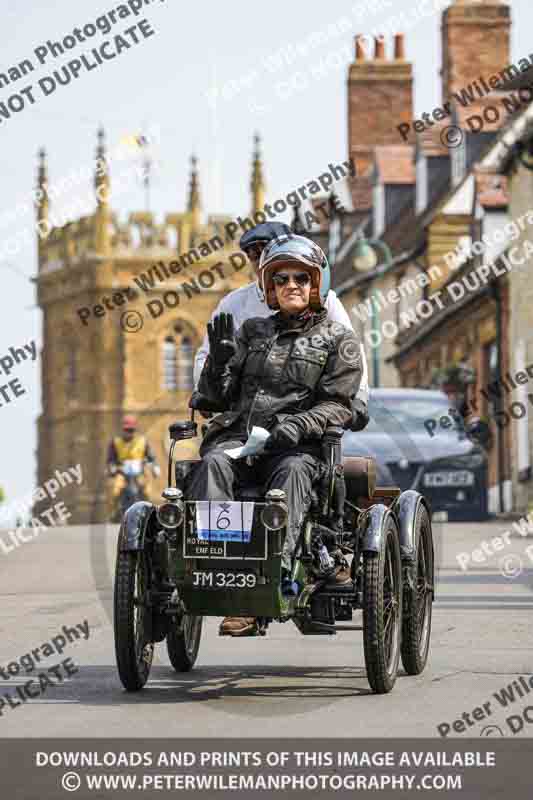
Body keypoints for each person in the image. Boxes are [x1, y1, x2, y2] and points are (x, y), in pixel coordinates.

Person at [189, 235, 363, 637]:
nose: (291, 285)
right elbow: (215, 399)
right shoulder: (251, 331)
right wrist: (216, 365)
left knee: (292, 477)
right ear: (269, 287)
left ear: (315, 284)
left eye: (300, 277)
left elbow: (341, 404)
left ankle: (271, 578)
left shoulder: (339, 340)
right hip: (241, 442)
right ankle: (218, 566)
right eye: (280, 278)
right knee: (213, 462)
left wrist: (298, 425)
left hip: (297, 449)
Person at [193, 222, 369, 429]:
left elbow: (350, 349)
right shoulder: (234, 304)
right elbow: (207, 357)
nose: (259, 262)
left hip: (302, 413)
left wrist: (359, 397)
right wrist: (213, 375)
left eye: (266, 253)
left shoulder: (324, 300)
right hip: (247, 411)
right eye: (254, 256)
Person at [107, 415, 160, 514]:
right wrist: (112, 468)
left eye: (131, 430)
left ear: (135, 430)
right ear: (123, 429)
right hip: (122, 473)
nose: (129, 433)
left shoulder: (142, 441)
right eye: (127, 430)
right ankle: (113, 512)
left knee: (147, 491)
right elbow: (111, 459)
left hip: (139, 472)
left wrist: (154, 467)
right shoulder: (115, 442)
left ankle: (149, 511)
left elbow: (151, 457)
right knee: (114, 490)